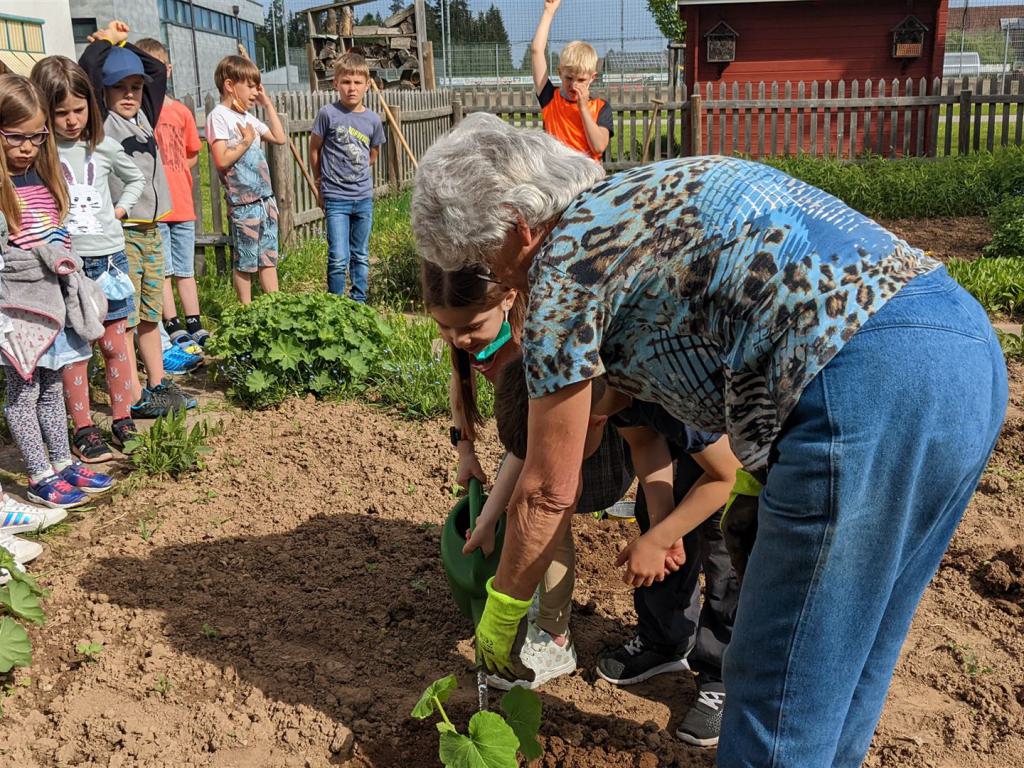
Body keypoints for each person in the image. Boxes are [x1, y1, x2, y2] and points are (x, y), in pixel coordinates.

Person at [411, 114, 1008, 764]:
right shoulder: (640, 192)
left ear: (517, 227)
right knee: (850, 659)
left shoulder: (563, 266)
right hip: (961, 348)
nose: (502, 282)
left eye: (486, 262)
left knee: (775, 694)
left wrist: (501, 615)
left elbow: (548, 490)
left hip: (857, 379)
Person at [497, 354, 743, 745]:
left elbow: (726, 475)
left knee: (724, 548)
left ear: (586, 423)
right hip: (693, 431)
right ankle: (666, 640)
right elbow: (645, 441)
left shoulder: (667, 385)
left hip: (743, 444)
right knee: (654, 508)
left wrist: (661, 539)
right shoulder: (606, 389)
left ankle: (724, 676)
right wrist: (662, 528)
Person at [423, 261, 633, 690]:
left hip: (585, 426)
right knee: (524, 509)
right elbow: (459, 381)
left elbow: (524, 456)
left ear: (509, 296)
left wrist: (487, 520)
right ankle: (536, 598)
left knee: (547, 519)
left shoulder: (531, 345)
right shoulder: (472, 332)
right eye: (446, 328)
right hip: (529, 429)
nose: (459, 339)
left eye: (470, 327)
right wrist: (465, 450)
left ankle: (556, 635)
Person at [0, 73, 114, 509]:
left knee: (52, 388)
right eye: (15, 137)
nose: (27, 147)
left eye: (35, 137)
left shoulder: (45, 182)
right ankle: (38, 473)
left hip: (56, 304)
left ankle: (63, 461)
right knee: (23, 393)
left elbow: (58, 236)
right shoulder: (3, 189)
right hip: (21, 312)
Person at [78, 21, 195, 418]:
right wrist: (106, 43)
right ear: (104, 92)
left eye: (135, 87)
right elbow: (86, 73)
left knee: (148, 314)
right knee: (124, 320)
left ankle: (158, 385)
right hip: (121, 233)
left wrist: (125, 44)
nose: (129, 94)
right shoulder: (100, 121)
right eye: (119, 88)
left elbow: (157, 71)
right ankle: (132, 392)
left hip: (151, 229)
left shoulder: (145, 113)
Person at [30, 56, 144, 461]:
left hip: (110, 263)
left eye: (79, 110)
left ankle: (122, 417)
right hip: (68, 269)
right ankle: (83, 429)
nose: (72, 120)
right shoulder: (39, 156)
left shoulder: (103, 147)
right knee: (75, 355)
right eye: (61, 113)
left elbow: (136, 179)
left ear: (91, 106)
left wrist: (122, 210)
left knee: (115, 347)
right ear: (44, 111)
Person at [133, 38, 210, 354]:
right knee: (162, 270)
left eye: (159, 70)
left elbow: (192, 153)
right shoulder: (138, 115)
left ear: (168, 70)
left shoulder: (180, 111)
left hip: (183, 206)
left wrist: (172, 171)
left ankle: (194, 321)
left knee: (185, 269)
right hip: (156, 209)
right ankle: (172, 322)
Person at [206, 54, 286, 305]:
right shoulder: (218, 116)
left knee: (268, 257)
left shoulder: (249, 118)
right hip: (244, 204)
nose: (255, 92)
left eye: (256, 87)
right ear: (230, 85)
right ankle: (246, 310)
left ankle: (275, 305)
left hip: (265, 201)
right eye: (250, 86)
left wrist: (268, 104)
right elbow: (221, 159)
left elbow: (279, 137)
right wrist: (246, 142)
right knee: (246, 260)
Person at [309, 52, 385, 301]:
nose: (351, 88)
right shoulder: (328, 114)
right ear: (335, 83)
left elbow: (372, 154)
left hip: (362, 197)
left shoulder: (373, 120)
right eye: (346, 82)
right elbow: (314, 149)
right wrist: (320, 185)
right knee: (339, 255)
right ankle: (336, 304)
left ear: (367, 84)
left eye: (357, 82)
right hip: (336, 198)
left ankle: (359, 303)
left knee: (360, 254)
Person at [530, 0, 612, 161]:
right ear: (560, 73)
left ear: (592, 78)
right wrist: (548, 12)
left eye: (581, 79)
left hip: (589, 179)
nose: (574, 85)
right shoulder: (550, 99)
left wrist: (583, 108)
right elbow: (536, 51)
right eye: (568, 78)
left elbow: (599, 146)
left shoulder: (600, 107)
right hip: (557, 176)